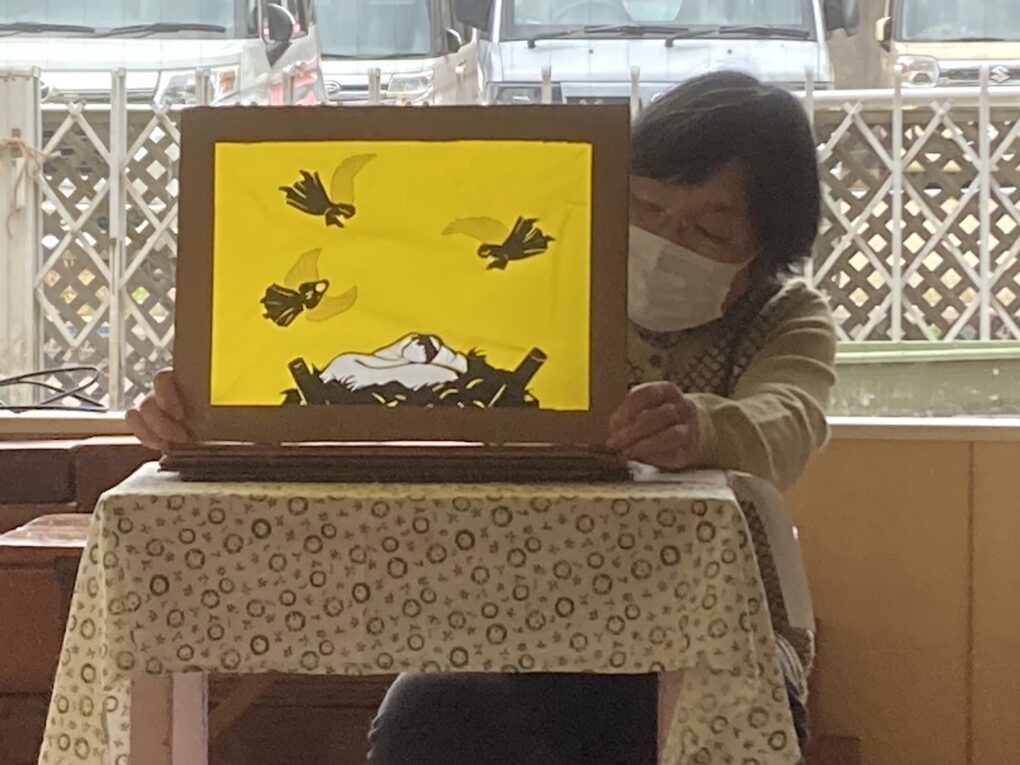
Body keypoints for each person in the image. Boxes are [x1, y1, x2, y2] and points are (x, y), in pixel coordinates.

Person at [128, 70, 835, 764]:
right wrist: (208, 413)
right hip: (520, 618)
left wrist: (701, 429)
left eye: (709, 227)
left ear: (767, 247)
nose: (667, 239)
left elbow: (788, 420)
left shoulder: (784, 319)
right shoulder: (553, 280)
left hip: (714, 636)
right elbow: (404, 368)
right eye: (646, 207)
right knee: (427, 715)